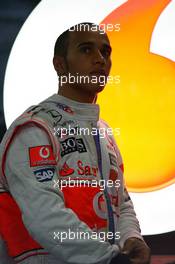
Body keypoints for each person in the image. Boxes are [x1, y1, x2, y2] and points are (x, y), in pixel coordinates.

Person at [0, 22, 150, 264]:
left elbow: (121, 202)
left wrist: (131, 239)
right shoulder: (35, 129)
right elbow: (44, 215)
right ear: (60, 65)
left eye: (106, 52)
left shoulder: (105, 134)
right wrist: (107, 258)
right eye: (86, 49)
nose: (100, 59)